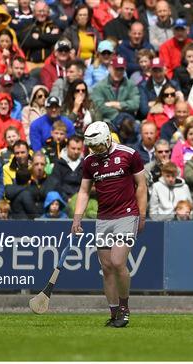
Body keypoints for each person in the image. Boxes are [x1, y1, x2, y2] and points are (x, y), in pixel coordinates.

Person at [71, 121, 147, 328]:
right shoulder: (89, 161)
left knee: (117, 262)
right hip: (104, 217)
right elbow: (85, 191)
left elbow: (141, 185)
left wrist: (142, 215)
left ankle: (124, 308)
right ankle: (113, 312)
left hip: (127, 214)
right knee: (105, 267)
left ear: (107, 139)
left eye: (98, 146)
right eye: (92, 147)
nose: (95, 150)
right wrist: (77, 217)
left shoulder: (129, 154)